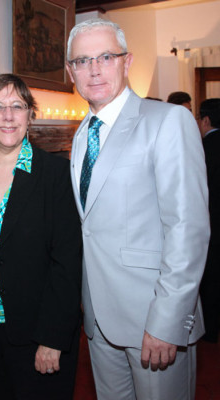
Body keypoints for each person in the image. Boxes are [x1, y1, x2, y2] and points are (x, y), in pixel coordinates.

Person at [65, 18, 209, 400]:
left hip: (154, 320)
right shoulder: (82, 134)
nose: (93, 69)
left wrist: (168, 321)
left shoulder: (168, 121)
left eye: (105, 57)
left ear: (126, 62)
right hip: (98, 322)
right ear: (70, 72)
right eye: (82, 61)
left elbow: (187, 228)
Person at [0, 73, 82, 400]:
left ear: (30, 115)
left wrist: (53, 337)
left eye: (17, 106)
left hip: (37, 335)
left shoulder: (56, 176)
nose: (8, 116)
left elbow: (67, 263)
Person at [198, 98, 220, 343]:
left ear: (205, 120)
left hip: (212, 223)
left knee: (211, 278)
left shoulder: (204, 148)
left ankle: (210, 330)